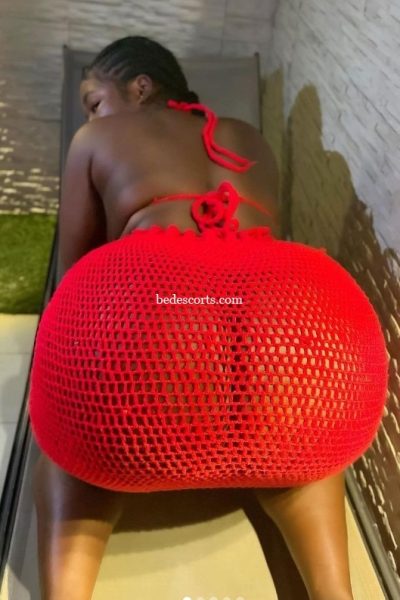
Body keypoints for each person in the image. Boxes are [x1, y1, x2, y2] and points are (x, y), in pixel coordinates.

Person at [29, 35, 387, 600]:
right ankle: (334, 591)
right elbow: (249, 254)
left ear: (140, 87)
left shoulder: (94, 139)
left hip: (165, 314)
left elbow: (71, 278)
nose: (92, 116)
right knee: (305, 436)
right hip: (293, 320)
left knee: (66, 432)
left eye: (95, 101)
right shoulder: (249, 137)